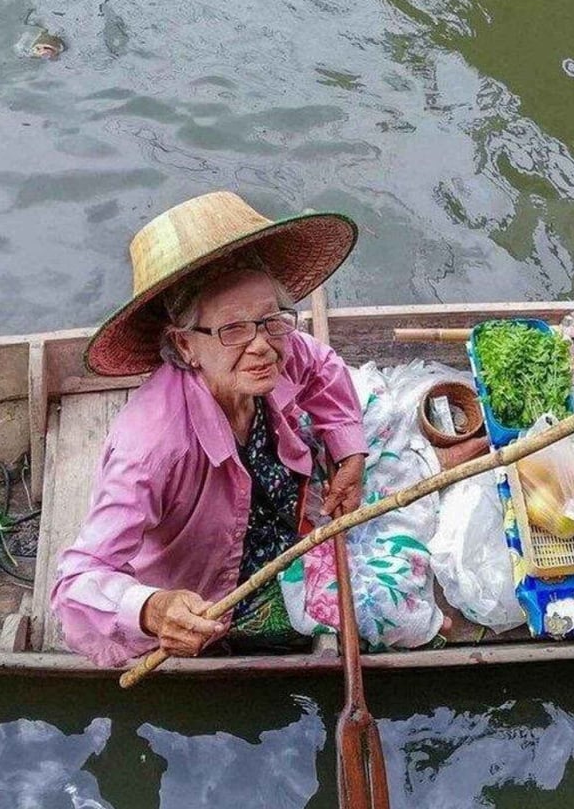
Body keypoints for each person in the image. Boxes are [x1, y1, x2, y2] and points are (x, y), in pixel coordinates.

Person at [49, 190, 368, 668]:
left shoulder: (278, 348)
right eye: (232, 330)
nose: (262, 346)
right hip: (219, 591)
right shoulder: (153, 447)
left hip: (285, 516)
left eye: (271, 320)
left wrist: (349, 456)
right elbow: (74, 587)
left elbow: (321, 367)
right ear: (185, 345)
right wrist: (154, 609)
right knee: (386, 617)